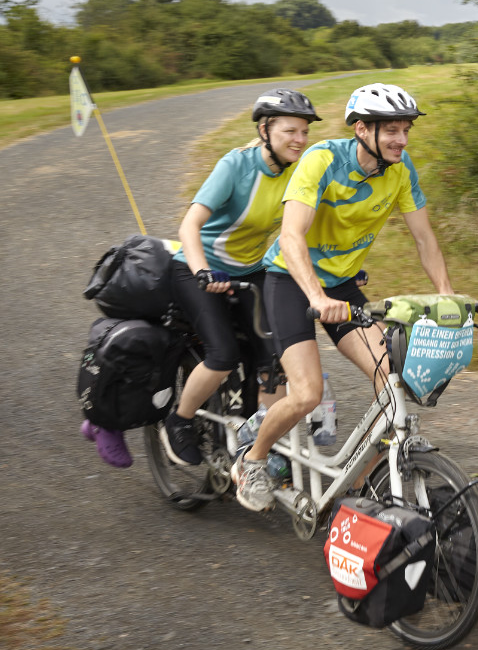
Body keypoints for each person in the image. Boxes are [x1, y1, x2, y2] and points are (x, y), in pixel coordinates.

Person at [231, 82, 455, 512]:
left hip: (342, 285)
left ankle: (361, 476)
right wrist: (315, 296)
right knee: (307, 393)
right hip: (290, 280)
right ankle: (253, 460)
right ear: (362, 129)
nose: (401, 140)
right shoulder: (322, 160)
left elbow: (425, 239)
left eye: (405, 130)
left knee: (395, 383)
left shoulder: (401, 168)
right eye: (391, 130)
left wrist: (447, 296)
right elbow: (291, 236)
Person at [158, 88, 321, 467]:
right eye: (290, 131)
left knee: (274, 358)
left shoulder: (298, 173)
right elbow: (190, 225)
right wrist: (202, 272)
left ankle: (261, 444)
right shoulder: (236, 166)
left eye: (304, 132)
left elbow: (300, 232)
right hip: (197, 268)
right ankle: (178, 420)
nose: (299, 140)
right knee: (223, 354)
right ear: (265, 129)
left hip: (252, 271)